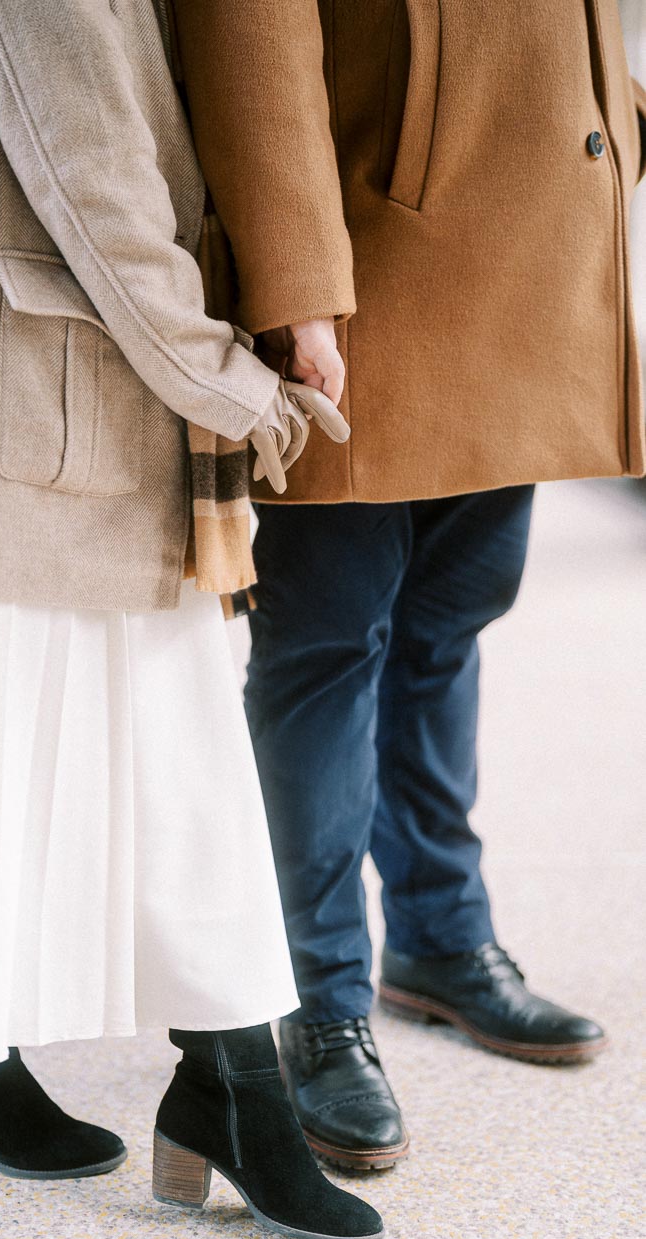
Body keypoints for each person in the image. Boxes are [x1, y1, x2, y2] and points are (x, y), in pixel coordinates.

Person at [0, 0, 383, 1239]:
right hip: (30, 407)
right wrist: (223, 378)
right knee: (122, 757)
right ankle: (172, 1086)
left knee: (66, 752)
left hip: (45, 398)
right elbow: (92, 177)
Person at [172, 0, 646, 1169]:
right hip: (367, 272)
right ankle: (315, 997)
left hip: (530, 264)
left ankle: (440, 938)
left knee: (451, 621)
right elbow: (250, 23)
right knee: (327, 649)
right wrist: (291, 279)